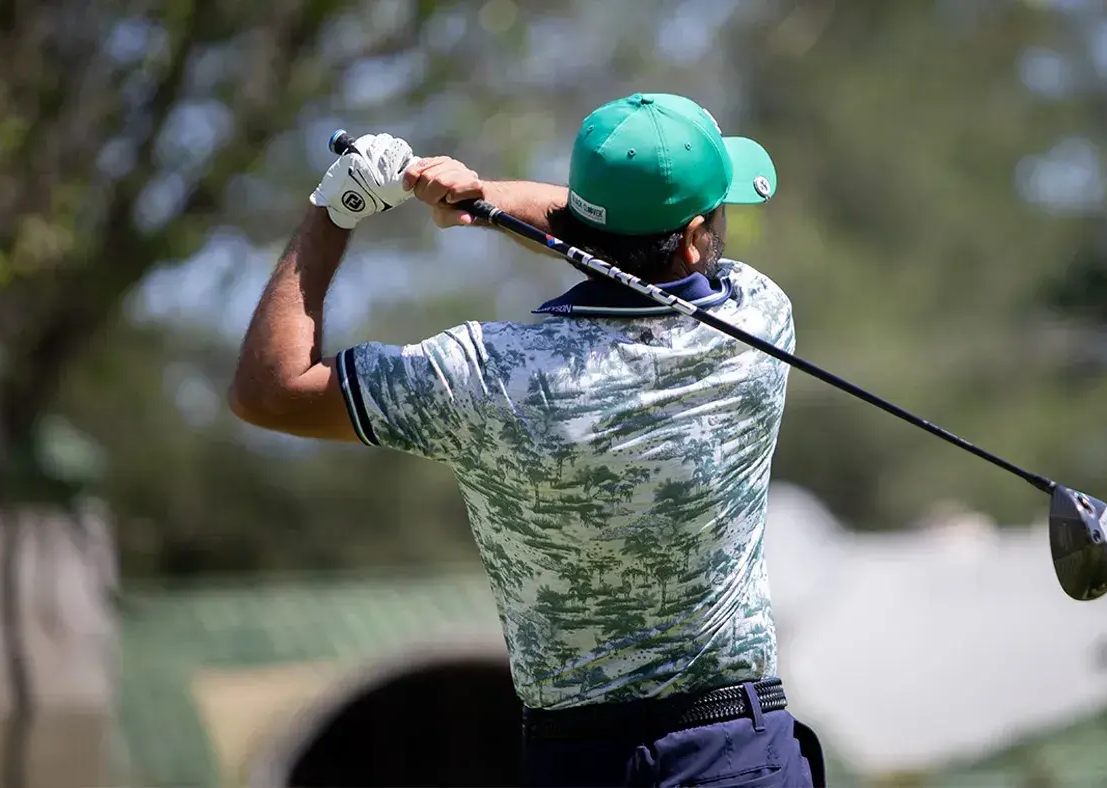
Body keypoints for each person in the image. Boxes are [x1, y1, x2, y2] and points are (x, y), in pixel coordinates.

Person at [229, 92, 825, 787]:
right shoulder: (756, 323)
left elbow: (269, 390)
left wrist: (338, 210)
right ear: (694, 238)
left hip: (576, 764)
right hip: (737, 753)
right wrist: (485, 199)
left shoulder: (483, 375)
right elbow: (594, 237)